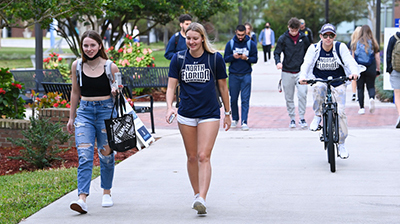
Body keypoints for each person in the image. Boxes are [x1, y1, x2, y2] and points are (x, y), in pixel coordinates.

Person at [165, 22, 231, 215]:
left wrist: (227, 113)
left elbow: (223, 88)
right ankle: (196, 196)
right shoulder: (178, 59)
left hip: (209, 113)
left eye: (195, 38)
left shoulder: (214, 58)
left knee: (204, 156)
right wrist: (170, 107)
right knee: (192, 157)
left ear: (202, 38)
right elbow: (171, 87)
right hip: (186, 113)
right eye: (188, 38)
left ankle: (202, 196)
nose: (191, 42)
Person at [67, 30, 120, 214]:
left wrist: (115, 90)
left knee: (106, 155)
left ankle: (106, 192)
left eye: (92, 45)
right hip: (85, 113)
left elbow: (119, 90)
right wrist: (72, 116)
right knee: (84, 155)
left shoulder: (110, 67)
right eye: (85, 45)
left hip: (106, 113)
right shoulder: (77, 66)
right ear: (82, 47)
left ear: (100, 46)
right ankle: (82, 198)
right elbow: (75, 92)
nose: (89, 49)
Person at [299, 23, 360, 159]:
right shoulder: (314, 48)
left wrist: (354, 73)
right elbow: (306, 63)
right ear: (321, 36)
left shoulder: (340, 47)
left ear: (334, 36)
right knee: (318, 88)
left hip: (338, 81)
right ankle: (318, 115)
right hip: (319, 79)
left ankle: (342, 143)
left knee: (341, 112)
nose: (328, 38)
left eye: (331, 35)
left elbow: (349, 61)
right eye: (325, 35)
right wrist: (303, 77)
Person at [273, 18, 310, 128]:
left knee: (302, 94)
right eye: (292, 30)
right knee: (289, 97)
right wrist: (278, 62)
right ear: (288, 28)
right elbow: (277, 52)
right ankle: (292, 118)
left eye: (296, 30)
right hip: (287, 71)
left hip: (301, 71)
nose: (294, 32)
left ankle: (302, 118)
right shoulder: (283, 38)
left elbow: (310, 52)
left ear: (299, 29)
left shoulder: (304, 38)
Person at [224, 24, 258, 131]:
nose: (240, 37)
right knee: (233, 99)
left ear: (246, 33)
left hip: (246, 75)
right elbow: (225, 58)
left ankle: (244, 121)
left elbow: (255, 59)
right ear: (235, 32)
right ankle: (235, 118)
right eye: (239, 34)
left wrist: (246, 58)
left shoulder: (250, 44)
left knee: (245, 99)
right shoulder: (230, 44)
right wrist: (233, 57)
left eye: (242, 35)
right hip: (234, 75)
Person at [351, 25, 380, 115]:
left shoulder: (355, 43)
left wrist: (353, 70)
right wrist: (378, 69)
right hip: (371, 67)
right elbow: (377, 57)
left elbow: (352, 58)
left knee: (360, 88)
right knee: (371, 86)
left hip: (359, 68)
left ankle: (362, 108)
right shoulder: (374, 43)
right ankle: (371, 98)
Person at [385, 30, 400, 128]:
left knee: (397, 94)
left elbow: (388, 54)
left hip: (395, 70)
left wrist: (389, 70)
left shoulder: (393, 38)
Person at [347, 26, 362, 102]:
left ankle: (353, 93)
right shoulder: (364, 42)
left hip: (353, 63)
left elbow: (347, 52)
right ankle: (360, 95)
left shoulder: (351, 42)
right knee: (361, 80)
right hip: (362, 63)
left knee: (354, 78)